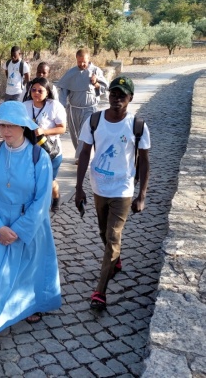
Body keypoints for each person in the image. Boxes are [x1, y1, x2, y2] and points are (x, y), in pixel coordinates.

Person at [0, 102, 61, 370]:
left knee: (26, 272)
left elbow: (42, 201)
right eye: (2, 125)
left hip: (27, 226)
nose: (5, 130)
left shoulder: (39, 158)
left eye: (11, 125)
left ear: (24, 126)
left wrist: (17, 230)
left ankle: (28, 307)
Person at [75, 76, 150, 311]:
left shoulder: (137, 126)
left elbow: (144, 161)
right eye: (113, 94)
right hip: (99, 187)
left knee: (113, 235)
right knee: (103, 232)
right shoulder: (94, 120)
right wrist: (78, 188)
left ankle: (100, 291)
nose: (117, 98)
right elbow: (85, 153)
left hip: (123, 189)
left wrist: (142, 195)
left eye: (122, 95)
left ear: (130, 98)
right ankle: (115, 260)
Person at [23, 77, 67, 212]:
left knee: (49, 181)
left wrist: (44, 131)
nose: (36, 93)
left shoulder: (54, 106)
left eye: (40, 90)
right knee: (33, 181)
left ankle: (56, 197)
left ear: (47, 92)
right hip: (31, 152)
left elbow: (62, 128)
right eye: (33, 90)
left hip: (51, 152)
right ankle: (35, 207)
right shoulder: (25, 106)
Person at [57, 48, 108, 162]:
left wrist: (95, 83)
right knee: (75, 134)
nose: (82, 64)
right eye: (79, 62)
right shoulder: (71, 73)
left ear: (88, 59)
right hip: (73, 110)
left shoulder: (96, 71)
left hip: (90, 108)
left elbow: (104, 88)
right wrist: (61, 107)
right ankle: (81, 154)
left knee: (85, 132)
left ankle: (81, 158)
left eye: (84, 62)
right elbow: (63, 90)